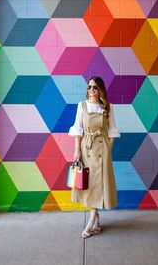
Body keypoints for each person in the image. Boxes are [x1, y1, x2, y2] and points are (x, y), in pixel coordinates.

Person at [68, 76, 120, 238]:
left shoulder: (108, 107)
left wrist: (107, 149)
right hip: (86, 148)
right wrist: (77, 149)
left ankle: (91, 221)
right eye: (89, 87)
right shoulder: (82, 105)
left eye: (95, 87)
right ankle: (95, 220)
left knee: (98, 184)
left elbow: (112, 131)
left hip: (102, 151)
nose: (91, 90)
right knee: (90, 184)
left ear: (101, 90)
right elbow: (78, 129)